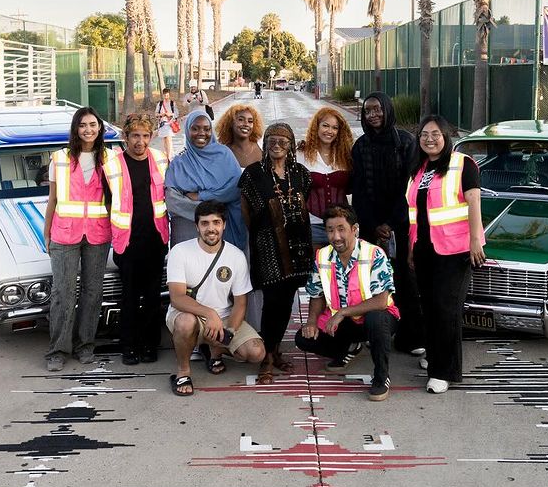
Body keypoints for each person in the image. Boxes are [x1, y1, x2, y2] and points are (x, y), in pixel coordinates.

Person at [406, 114, 486, 394]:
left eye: (435, 134)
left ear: (446, 137)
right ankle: (435, 356)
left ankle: (445, 371)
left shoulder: (463, 164)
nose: (429, 139)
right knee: (428, 307)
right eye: (424, 134)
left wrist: (476, 240)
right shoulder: (419, 169)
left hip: (456, 249)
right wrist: (411, 249)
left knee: (446, 309)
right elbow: (414, 214)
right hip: (425, 248)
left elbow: (474, 201)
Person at [296, 204, 398, 402]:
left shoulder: (374, 254)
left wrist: (342, 312)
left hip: (373, 318)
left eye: (341, 229)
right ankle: (350, 348)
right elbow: (316, 294)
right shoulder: (323, 256)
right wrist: (311, 321)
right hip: (345, 323)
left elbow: (381, 300)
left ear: (354, 229)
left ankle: (381, 376)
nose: (336, 237)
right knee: (304, 338)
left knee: (377, 320)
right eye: (330, 230)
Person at [165, 200, 266, 396]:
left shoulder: (236, 256)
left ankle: (214, 350)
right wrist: (209, 313)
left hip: (224, 317)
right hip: (190, 315)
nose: (211, 229)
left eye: (216, 222)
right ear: (197, 226)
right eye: (205, 223)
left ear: (224, 225)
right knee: (186, 322)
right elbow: (177, 298)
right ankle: (183, 372)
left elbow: (240, 303)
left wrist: (228, 332)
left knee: (256, 353)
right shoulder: (180, 251)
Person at [239, 122, 313, 384]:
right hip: (268, 248)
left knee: (287, 303)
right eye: (271, 140)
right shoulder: (253, 174)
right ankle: (268, 357)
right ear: (265, 143)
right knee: (272, 303)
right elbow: (246, 212)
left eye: (283, 141)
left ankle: (276, 349)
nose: (277, 145)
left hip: (297, 248)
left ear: (291, 145)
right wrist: (263, 235)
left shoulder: (301, 174)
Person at [351, 91, 424, 357]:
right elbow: (358, 192)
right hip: (371, 226)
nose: (373, 115)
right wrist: (373, 224)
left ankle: (412, 336)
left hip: (402, 225)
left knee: (405, 281)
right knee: (372, 282)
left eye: (377, 109)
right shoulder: (360, 147)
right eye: (368, 111)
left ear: (387, 110)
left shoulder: (405, 142)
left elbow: (411, 186)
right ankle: (375, 331)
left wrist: (393, 223)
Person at [42, 106, 113, 372]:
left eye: (93, 124)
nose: (88, 130)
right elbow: (53, 199)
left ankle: (85, 345)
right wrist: (46, 232)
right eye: (83, 125)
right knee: (62, 292)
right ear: (75, 128)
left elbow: (118, 198)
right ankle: (58, 350)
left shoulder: (109, 158)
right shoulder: (59, 158)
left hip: (97, 234)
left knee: (92, 292)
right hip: (65, 233)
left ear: (100, 127)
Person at [111, 113, 171, 366]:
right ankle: (129, 346)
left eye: (145, 136)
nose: (140, 141)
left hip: (155, 240)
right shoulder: (113, 165)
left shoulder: (160, 159)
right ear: (125, 137)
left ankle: (150, 345)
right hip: (127, 241)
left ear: (151, 137)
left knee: (153, 296)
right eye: (135, 135)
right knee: (130, 297)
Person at [164, 110, 246, 249]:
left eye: (206, 129)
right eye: (195, 128)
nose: (201, 133)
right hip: (188, 231)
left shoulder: (224, 155)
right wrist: (211, 210)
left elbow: (235, 189)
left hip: (224, 230)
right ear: (187, 130)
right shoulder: (179, 163)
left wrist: (201, 196)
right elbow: (172, 201)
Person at [296, 107, 353, 247]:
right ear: (317, 127)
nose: (330, 131)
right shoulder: (301, 154)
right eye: (325, 126)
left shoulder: (345, 156)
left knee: (342, 268)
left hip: (342, 225)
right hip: (312, 224)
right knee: (317, 267)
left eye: (335, 128)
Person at [216, 103, 264, 168]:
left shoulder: (263, 146)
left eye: (250, 121)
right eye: (240, 119)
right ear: (230, 123)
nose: (246, 124)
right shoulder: (222, 153)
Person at [155, 88, 179, 159]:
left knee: (168, 139)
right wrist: (160, 115)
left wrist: (170, 114)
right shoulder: (160, 104)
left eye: (167, 95)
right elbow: (156, 114)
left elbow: (177, 113)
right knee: (165, 140)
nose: (166, 97)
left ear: (169, 95)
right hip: (162, 124)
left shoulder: (172, 103)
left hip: (170, 124)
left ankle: (169, 156)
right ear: (163, 95)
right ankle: (168, 153)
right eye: (165, 95)